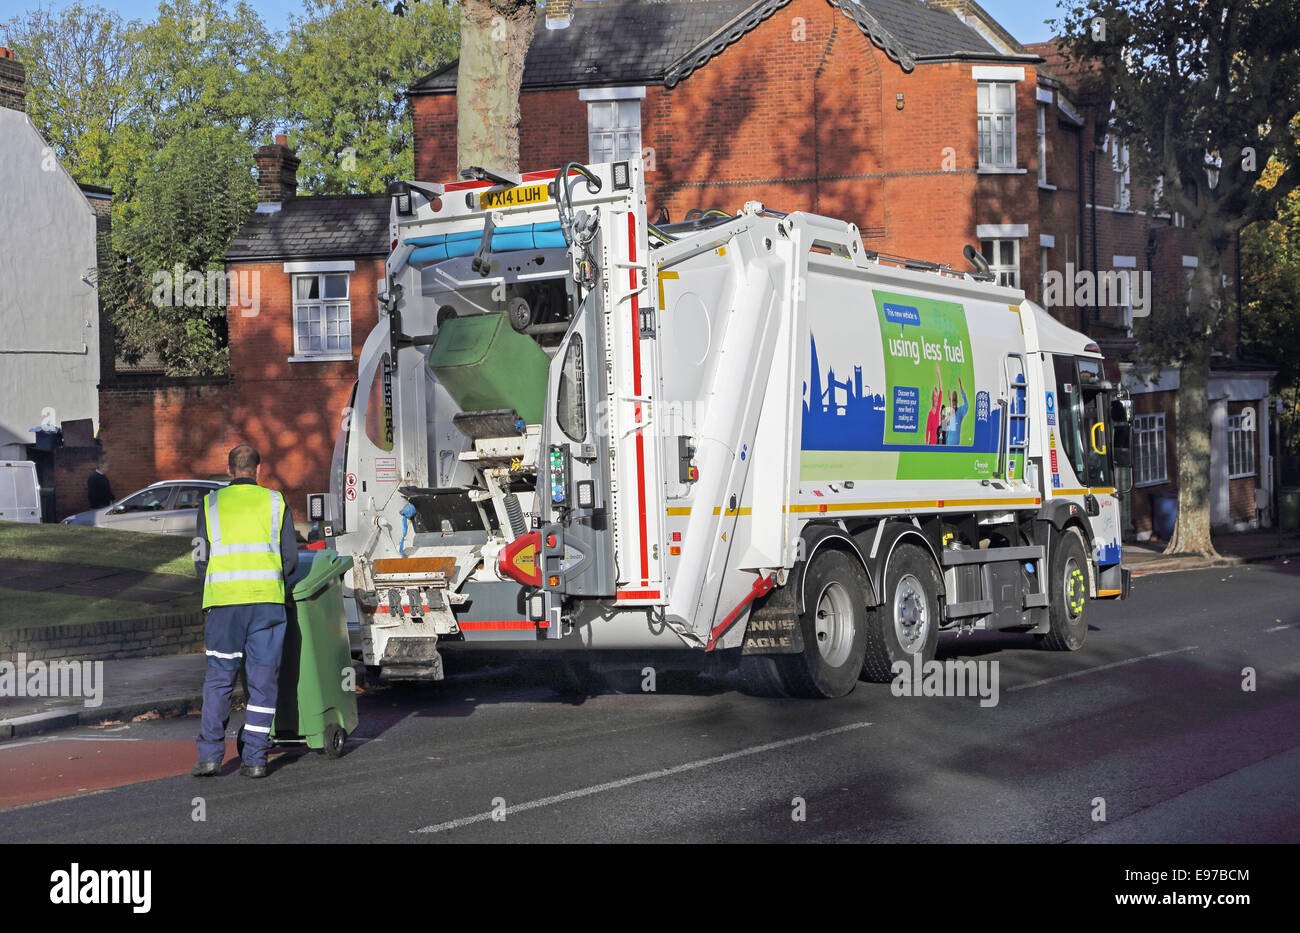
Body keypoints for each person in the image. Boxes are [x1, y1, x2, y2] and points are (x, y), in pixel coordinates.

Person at [191, 445, 297, 779]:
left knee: (220, 680)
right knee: (263, 682)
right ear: (258, 469)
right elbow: (290, 560)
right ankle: (255, 759)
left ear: (229, 469)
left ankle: (210, 757)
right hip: (267, 604)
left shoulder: (209, 504)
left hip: (224, 606)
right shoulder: (276, 502)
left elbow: (199, 559)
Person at [944, 379, 968, 446]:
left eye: (955, 400)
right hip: (948, 444)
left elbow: (966, 404)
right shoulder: (948, 412)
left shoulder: (960, 411)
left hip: (956, 444)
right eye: (953, 400)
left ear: (957, 401)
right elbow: (943, 427)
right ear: (951, 402)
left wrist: (961, 387)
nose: (954, 402)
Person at [924, 362, 944, 445]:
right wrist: (926, 443)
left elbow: (941, 389)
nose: (937, 398)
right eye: (935, 396)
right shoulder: (930, 414)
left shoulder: (939, 407)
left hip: (938, 442)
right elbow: (927, 430)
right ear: (932, 398)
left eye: (937, 396)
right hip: (931, 443)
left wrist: (939, 374)